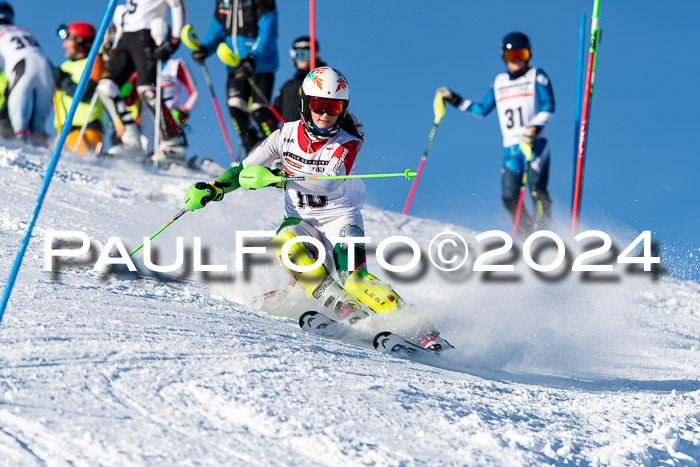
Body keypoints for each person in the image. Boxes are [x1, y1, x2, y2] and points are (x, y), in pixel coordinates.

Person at [182, 67, 451, 351]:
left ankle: (424, 332)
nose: (325, 114)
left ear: (342, 110)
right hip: (302, 221)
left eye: (333, 107)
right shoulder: (284, 135)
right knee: (285, 244)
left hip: (340, 220)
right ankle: (348, 312)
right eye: (318, 105)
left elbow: (324, 183)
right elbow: (242, 171)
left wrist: (275, 178)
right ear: (305, 105)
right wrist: (213, 189)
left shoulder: (347, 143)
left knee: (355, 280)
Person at [439, 32, 555, 232]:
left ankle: (544, 233)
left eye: (522, 55)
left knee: (536, 189)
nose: (517, 61)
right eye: (512, 56)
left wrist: (533, 129)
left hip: (535, 144)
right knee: (510, 197)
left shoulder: (536, 75)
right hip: (511, 149)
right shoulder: (499, 82)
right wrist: (454, 99)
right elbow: (482, 110)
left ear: (529, 56)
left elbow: (548, 106)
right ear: (504, 57)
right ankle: (528, 236)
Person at [97, 0, 186, 160]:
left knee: (146, 91)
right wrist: (116, 38)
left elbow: (177, 4)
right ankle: (131, 141)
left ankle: (174, 145)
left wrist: (174, 39)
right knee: (106, 87)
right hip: (127, 37)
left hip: (146, 35)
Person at [191, 0, 280, 157]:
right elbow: (217, 32)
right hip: (235, 65)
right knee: (235, 107)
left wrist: (253, 57)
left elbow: (268, 32)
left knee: (259, 111)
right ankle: (253, 152)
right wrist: (204, 48)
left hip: (260, 65)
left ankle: (280, 152)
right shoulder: (224, 2)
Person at [0, 1, 55, 146]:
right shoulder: (24, 31)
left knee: (20, 129)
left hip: (21, 67)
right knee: (38, 128)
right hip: (46, 67)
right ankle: (44, 153)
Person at [53, 22, 105, 155]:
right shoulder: (65, 66)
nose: (64, 45)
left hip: (85, 128)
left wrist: (64, 80)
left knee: (80, 164)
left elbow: (84, 93)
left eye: (68, 40)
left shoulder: (94, 63)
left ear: (79, 42)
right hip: (64, 130)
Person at [273, 36, 325, 123]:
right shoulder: (288, 86)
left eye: (308, 55)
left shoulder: (323, 81)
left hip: (314, 132)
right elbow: (275, 112)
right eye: (300, 55)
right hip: (291, 134)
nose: (304, 59)